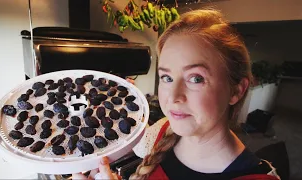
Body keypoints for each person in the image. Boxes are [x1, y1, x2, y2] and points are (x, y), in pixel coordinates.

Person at [73, 9, 280, 180]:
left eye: (195, 78)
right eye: (167, 78)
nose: (173, 97)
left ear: (236, 90)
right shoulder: (161, 131)